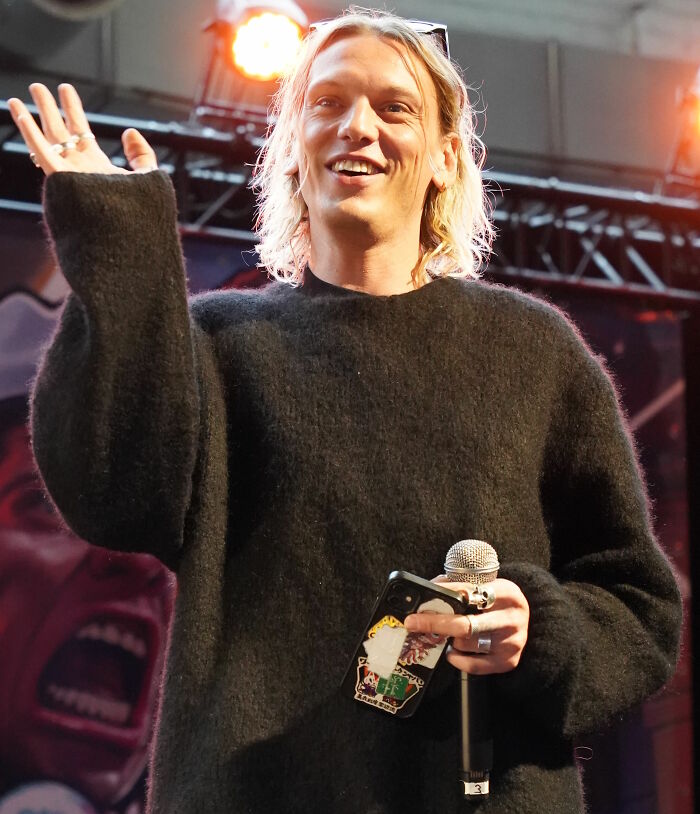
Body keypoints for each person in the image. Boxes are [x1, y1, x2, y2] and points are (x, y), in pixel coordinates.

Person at [7, 8, 682, 814]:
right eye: (327, 103)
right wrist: (116, 245)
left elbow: (637, 605)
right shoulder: (217, 346)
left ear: (445, 158)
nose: (357, 126)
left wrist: (538, 629)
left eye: (394, 107)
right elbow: (112, 494)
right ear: (293, 147)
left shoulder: (534, 354)